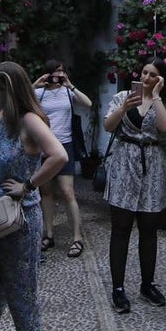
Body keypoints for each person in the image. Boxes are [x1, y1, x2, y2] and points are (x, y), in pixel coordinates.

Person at [0, 61, 68, 331]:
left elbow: (59, 156)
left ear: (6, 89)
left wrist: (28, 185)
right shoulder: (3, 120)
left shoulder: (29, 121)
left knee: (22, 297)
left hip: (19, 224)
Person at [103, 57, 166, 313]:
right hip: (124, 163)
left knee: (149, 228)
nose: (145, 78)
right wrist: (123, 108)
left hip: (153, 166)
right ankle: (118, 288)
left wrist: (155, 97)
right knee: (120, 228)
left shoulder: (164, 103)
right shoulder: (124, 96)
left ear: (160, 80)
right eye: (144, 72)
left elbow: (165, 128)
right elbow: (108, 125)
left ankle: (147, 283)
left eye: (153, 74)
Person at [32, 58, 93, 258]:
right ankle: (48, 234)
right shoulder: (39, 93)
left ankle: (77, 237)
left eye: (61, 72)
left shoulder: (68, 91)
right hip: (44, 146)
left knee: (68, 192)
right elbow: (22, 102)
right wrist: (35, 84)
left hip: (65, 145)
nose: (58, 76)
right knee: (46, 191)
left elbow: (88, 103)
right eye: (54, 72)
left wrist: (71, 85)